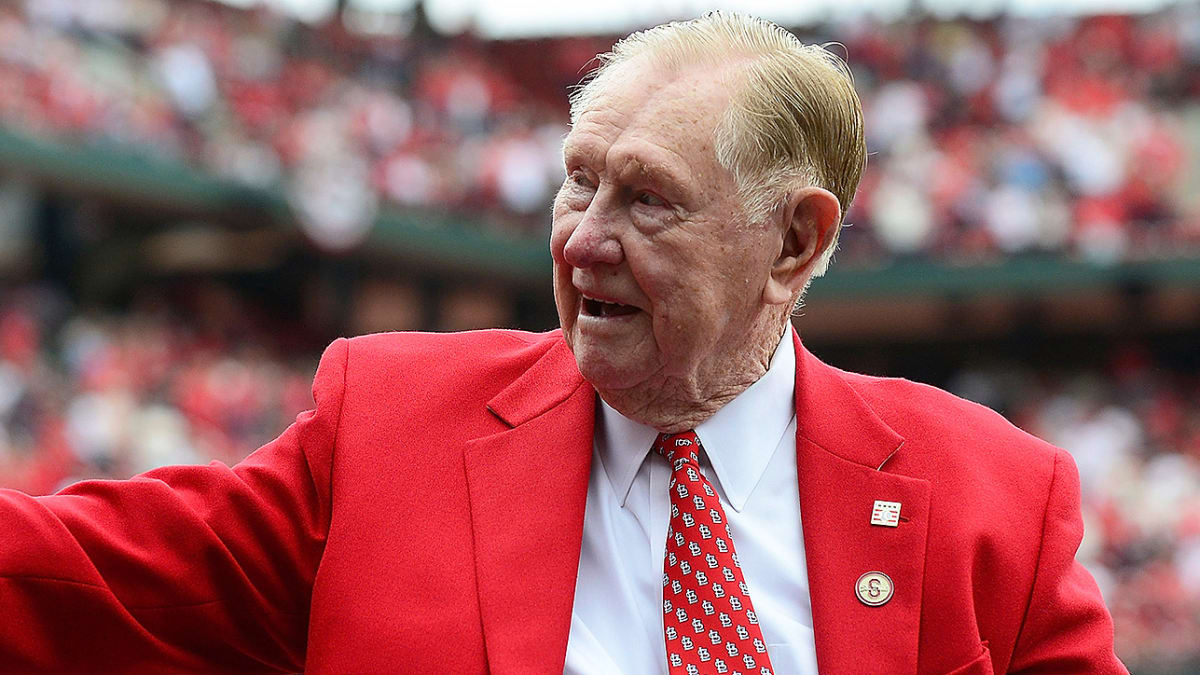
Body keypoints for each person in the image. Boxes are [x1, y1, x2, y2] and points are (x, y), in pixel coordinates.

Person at [0, 12, 1126, 675]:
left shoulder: (995, 501)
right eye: (577, 182)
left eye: (648, 202)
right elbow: (76, 583)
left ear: (794, 242)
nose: (583, 241)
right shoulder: (389, 425)